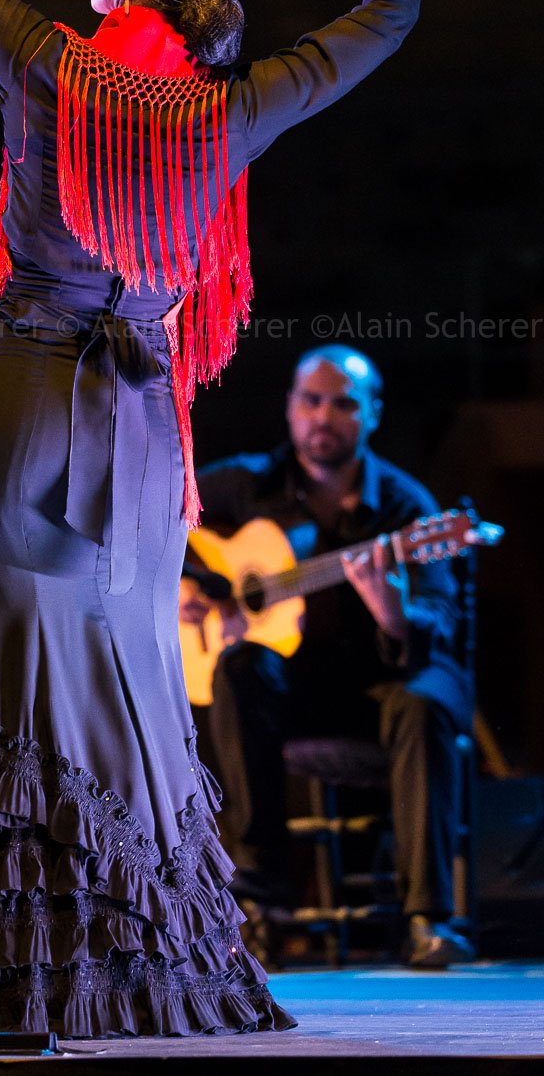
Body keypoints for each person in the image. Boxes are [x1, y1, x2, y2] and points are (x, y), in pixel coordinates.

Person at [0, 0, 435, 1036]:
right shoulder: (233, 106)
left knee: (23, 682)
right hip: (139, 426)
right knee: (126, 692)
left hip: (31, 406)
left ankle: (19, 981)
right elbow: (391, 14)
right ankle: (135, 979)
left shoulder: (47, 68)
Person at [179, 346, 475, 968]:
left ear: (372, 414)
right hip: (299, 691)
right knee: (240, 669)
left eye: (343, 404)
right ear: (290, 407)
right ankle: (257, 906)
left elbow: (442, 621)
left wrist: (393, 612)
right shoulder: (247, 484)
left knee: (425, 701)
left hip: (381, 685)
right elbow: (154, 521)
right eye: (311, 401)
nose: (323, 416)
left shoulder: (407, 509)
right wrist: (198, 589)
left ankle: (428, 920)